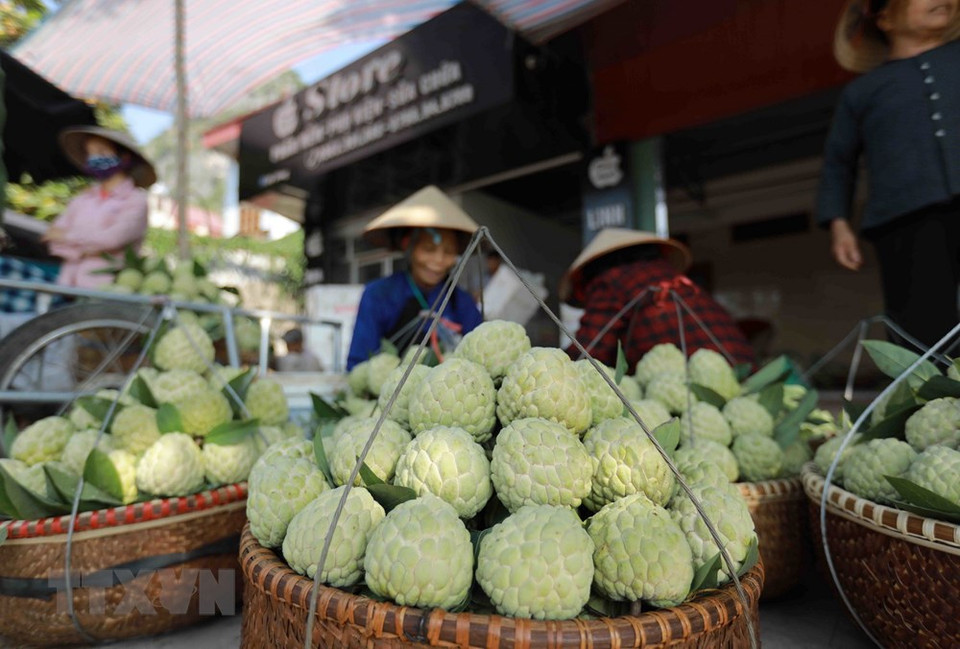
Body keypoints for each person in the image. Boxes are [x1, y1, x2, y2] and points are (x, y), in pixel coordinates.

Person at [818, 0, 960, 349]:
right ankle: (928, 401)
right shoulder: (862, 92)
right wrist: (838, 224)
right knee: (920, 325)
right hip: (903, 220)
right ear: (884, 18)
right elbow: (838, 162)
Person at [561, 228, 755, 369]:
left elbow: (589, 351)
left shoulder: (611, 280)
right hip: (746, 373)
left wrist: (549, 365)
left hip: (699, 383)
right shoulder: (669, 275)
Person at [346, 186, 483, 369]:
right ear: (408, 247)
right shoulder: (379, 295)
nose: (438, 261)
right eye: (428, 249)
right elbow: (358, 364)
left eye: (449, 252)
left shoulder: (462, 303)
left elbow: (480, 359)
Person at [42, 126, 155, 289]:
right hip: (66, 282)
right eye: (90, 153)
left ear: (124, 157)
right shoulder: (84, 198)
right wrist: (90, 246)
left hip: (104, 290)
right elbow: (52, 235)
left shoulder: (136, 200)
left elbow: (112, 239)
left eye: (101, 151)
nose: (95, 158)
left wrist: (69, 238)